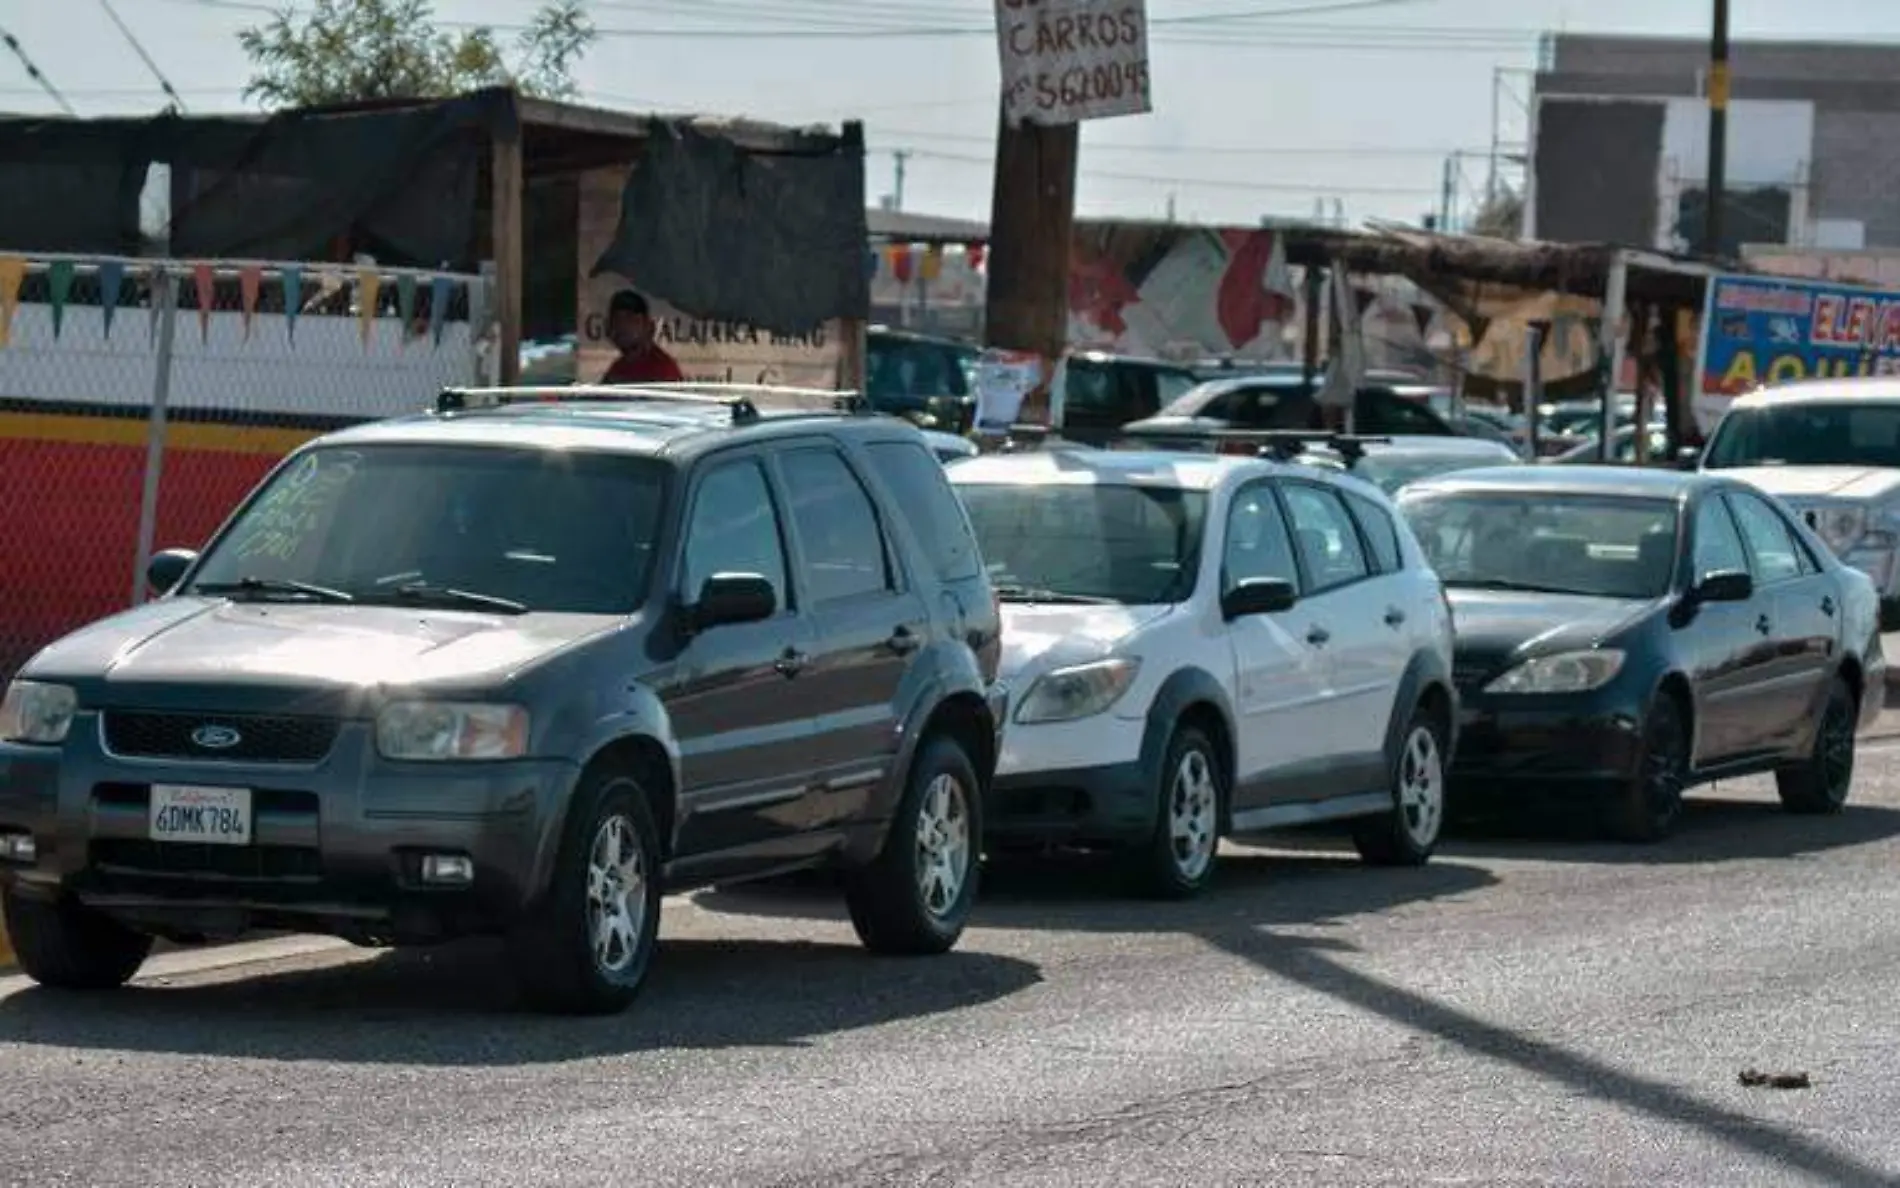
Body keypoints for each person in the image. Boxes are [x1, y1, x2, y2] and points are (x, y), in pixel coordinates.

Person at [600, 290, 684, 384]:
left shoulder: (662, 368)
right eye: (616, 321)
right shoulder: (617, 369)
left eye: (630, 319)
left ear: (648, 325)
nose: (622, 326)